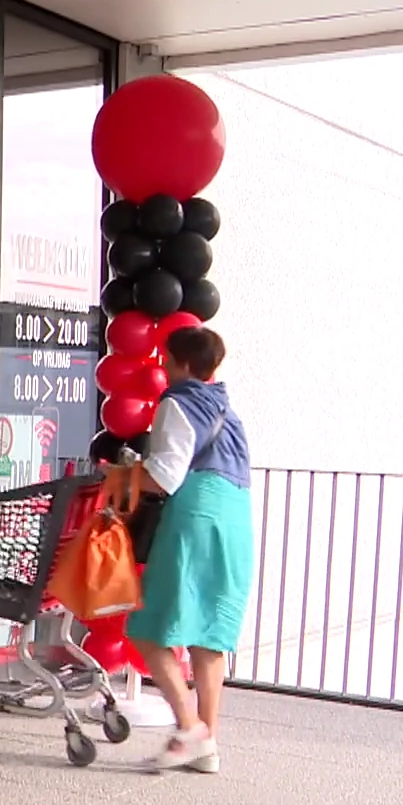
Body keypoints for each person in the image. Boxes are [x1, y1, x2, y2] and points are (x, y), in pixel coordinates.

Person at [124, 326, 254, 773]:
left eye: (165, 359)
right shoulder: (227, 409)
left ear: (176, 362)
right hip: (237, 520)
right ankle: (208, 745)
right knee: (210, 635)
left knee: (147, 626)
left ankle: (189, 727)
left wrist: (120, 478)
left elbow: (164, 475)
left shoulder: (178, 404)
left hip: (196, 517)